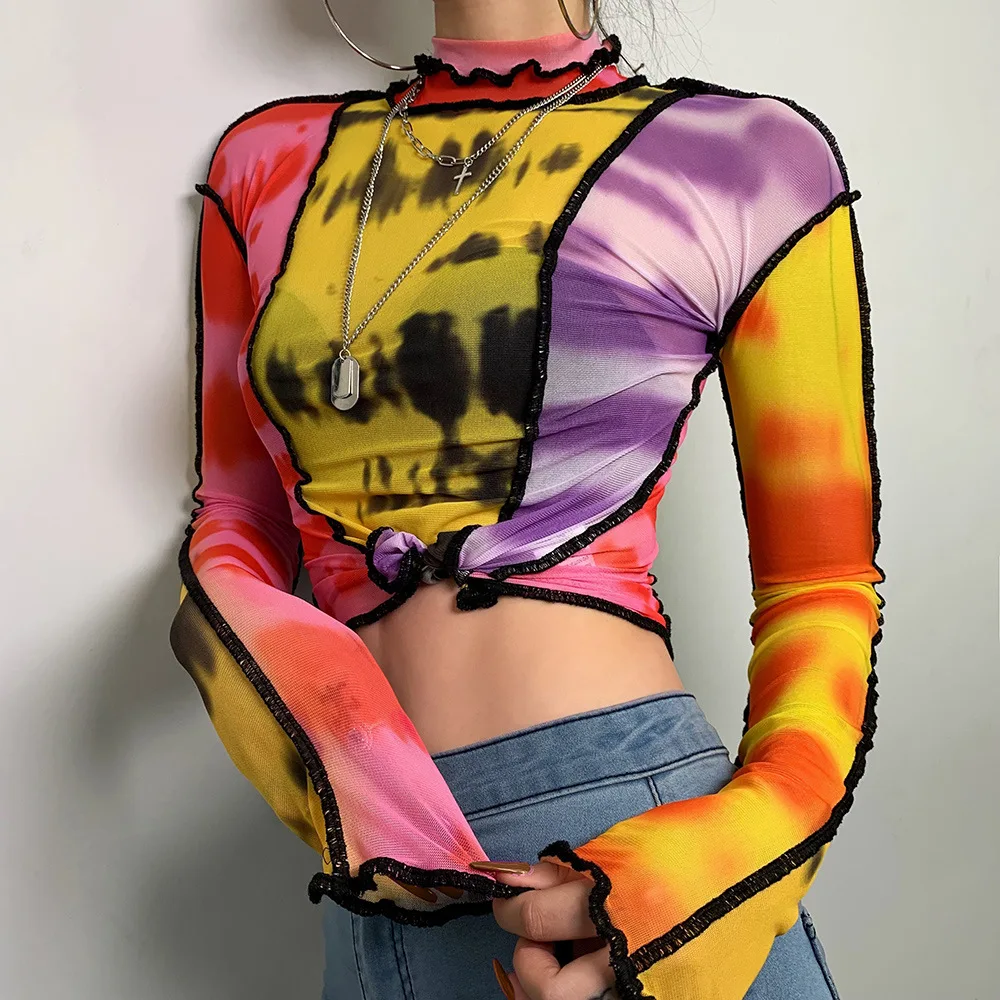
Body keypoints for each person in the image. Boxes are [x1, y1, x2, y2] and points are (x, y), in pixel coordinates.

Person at [168, 1, 885, 997]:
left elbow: (824, 581)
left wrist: (733, 855)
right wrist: (318, 724)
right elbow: (235, 520)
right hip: (362, 872)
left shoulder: (748, 159)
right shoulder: (265, 162)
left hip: (621, 847)